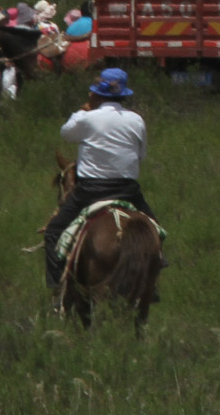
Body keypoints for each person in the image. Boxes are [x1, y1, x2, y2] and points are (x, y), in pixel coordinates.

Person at [45, 68, 151, 289]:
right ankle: (154, 275)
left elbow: (66, 133)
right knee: (154, 228)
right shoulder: (137, 120)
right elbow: (141, 156)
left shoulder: (87, 118)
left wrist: (82, 111)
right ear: (124, 94)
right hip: (128, 190)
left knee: (54, 231)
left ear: (96, 94)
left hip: (91, 190)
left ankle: (55, 289)